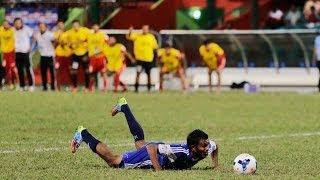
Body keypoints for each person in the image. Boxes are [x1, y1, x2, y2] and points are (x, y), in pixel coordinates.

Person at [70, 97, 219, 170]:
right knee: (114, 162)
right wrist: (159, 171)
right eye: (204, 146)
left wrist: (215, 166)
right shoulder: (180, 151)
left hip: (162, 151)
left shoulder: (206, 148)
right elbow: (152, 148)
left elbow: (215, 145)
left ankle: (124, 106)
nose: (207, 148)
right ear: (193, 147)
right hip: (155, 154)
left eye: (206, 145)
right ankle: (83, 134)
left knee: (140, 143)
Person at [126, 25, 158, 92]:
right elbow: (129, 37)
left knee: (148, 74)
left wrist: (156, 57)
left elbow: (155, 47)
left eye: (146, 29)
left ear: (148, 30)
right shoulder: (137, 36)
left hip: (149, 59)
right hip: (139, 59)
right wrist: (130, 31)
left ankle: (149, 88)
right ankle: (136, 88)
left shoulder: (151, 37)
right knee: (138, 73)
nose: (144, 30)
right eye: (143, 29)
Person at [67, 20, 91, 92]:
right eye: (74, 26)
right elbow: (69, 44)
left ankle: (87, 87)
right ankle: (75, 87)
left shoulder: (85, 31)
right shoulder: (69, 33)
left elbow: (89, 41)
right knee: (74, 71)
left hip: (84, 54)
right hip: (75, 55)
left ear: (79, 25)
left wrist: (88, 53)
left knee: (86, 71)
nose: (75, 27)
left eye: (77, 25)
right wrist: (71, 46)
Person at [31, 23, 55, 91]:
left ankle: (53, 86)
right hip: (43, 55)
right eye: (40, 27)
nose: (42, 28)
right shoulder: (38, 35)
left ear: (46, 27)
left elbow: (54, 41)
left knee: (52, 72)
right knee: (43, 72)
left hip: (50, 55)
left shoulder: (50, 34)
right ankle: (44, 86)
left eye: (43, 27)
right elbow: (37, 44)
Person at [14, 17, 35, 91]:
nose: (18, 24)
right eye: (16, 23)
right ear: (14, 24)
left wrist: (31, 47)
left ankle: (31, 85)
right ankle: (22, 86)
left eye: (19, 23)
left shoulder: (27, 29)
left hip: (25, 52)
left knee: (28, 69)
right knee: (19, 70)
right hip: (17, 52)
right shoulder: (13, 30)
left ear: (21, 23)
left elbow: (34, 37)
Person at [87, 23, 108, 92]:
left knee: (103, 72)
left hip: (101, 57)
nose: (95, 28)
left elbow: (107, 45)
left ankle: (105, 88)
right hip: (92, 58)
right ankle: (92, 87)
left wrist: (103, 53)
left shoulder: (103, 35)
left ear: (99, 27)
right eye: (94, 26)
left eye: (96, 26)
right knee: (91, 73)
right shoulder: (89, 35)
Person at [0, 20, 19, 90]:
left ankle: (17, 83)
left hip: (11, 51)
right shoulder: (1, 29)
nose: (5, 25)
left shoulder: (12, 30)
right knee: (5, 68)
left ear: (9, 25)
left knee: (13, 67)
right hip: (4, 52)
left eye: (6, 24)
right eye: (4, 24)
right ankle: (9, 84)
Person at [54, 20, 72, 91]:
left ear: (64, 25)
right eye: (59, 25)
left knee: (69, 70)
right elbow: (55, 44)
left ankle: (71, 86)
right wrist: (59, 37)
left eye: (61, 25)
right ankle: (58, 87)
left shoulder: (68, 33)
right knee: (58, 71)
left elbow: (70, 43)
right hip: (59, 55)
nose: (60, 26)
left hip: (67, 55)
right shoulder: (56, 34)